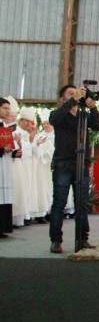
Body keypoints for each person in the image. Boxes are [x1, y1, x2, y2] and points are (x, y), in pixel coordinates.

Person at [48, 85, 99, 253]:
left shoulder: (83, 116)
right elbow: (54, 120)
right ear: (63, 98)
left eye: (77, 93)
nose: (76, 96)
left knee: (82, 204)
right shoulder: (59, 114)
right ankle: (56, 240)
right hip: (63, 164)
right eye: (70, 94)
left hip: (81, 164)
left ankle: (82, 238)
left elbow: (98, 126)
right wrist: (73, 100)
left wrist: (92, 107)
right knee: (59, 203)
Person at [12, 107, 36, 228]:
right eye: (25, 120)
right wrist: (27, 143)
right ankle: (16, 218)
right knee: (19, 190)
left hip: (28, 165)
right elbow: (20, 148)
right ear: (20, 121)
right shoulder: (15, 131)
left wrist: (32, 140)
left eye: (29, 121)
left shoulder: (28, 133)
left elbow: (33, 149)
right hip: (19, 164)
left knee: (27, 189)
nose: (27, 123)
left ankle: (25, 215)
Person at [0, 97, 20, 238]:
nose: (8, 111)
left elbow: (9, 146)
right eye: (5, 108)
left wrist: (14, 152)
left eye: (9, 108)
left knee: (4, 196)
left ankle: (2, 228)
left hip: (5, 166)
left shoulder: (6, 127)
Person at [31, 110, 54, 224]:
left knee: (52, 189)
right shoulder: (40, 135)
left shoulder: (56, 135)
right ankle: (41, 213)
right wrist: (39, 145)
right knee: (42, 189)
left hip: (52, 166)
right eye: (44, 123)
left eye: (47, 123)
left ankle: (51, 212)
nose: (45, 125)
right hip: (42, 166)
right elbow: (35, 147)